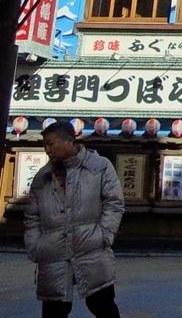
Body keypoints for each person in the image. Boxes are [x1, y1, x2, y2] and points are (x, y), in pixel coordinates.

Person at [24, 121, 124, 318]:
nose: (47, 150)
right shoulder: (42, 177)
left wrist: (104, 235)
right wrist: (35, 246)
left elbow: (114, 203)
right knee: (53, 311)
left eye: (50, 144)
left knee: (103, 307)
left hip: (91, 249)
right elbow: (32, 216)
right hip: (53, 253)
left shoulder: (99, 166)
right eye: (44, 145)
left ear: (69, 141)